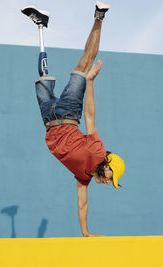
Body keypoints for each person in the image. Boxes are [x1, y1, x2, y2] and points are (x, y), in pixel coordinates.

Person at [22, 1, 125, 237]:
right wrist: (90, 82)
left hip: (48, 117)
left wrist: (86, 233)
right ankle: (99, 17)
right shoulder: (98, 152)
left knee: (42, 75)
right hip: (69, 113)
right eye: (112, 178)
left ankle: (41, 23)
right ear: (108, 166)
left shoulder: (84, 177)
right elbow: (90, 116)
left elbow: (82, 204)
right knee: (84, 62)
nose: (109, 182)